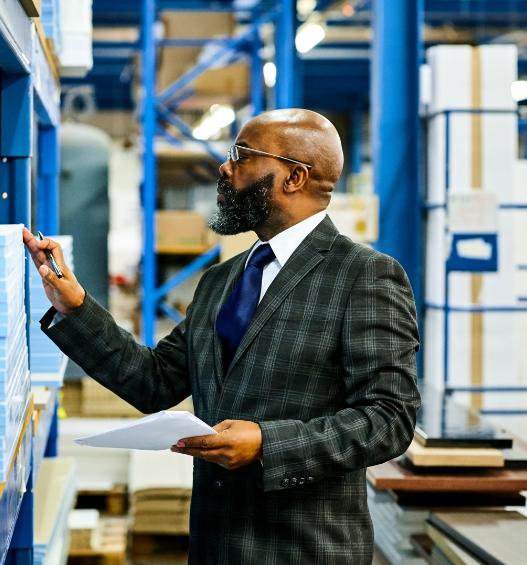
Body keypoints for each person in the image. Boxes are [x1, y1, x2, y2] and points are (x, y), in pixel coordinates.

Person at [23, 109, 420, 564]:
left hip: (304, 551)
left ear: (293, 177)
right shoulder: (221, 281)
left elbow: (389, 420)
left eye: (241, 155)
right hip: (215, 547)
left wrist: (268, 445)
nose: (224, 167)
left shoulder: (364, 276)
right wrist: (75, 307)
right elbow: (154, 381)